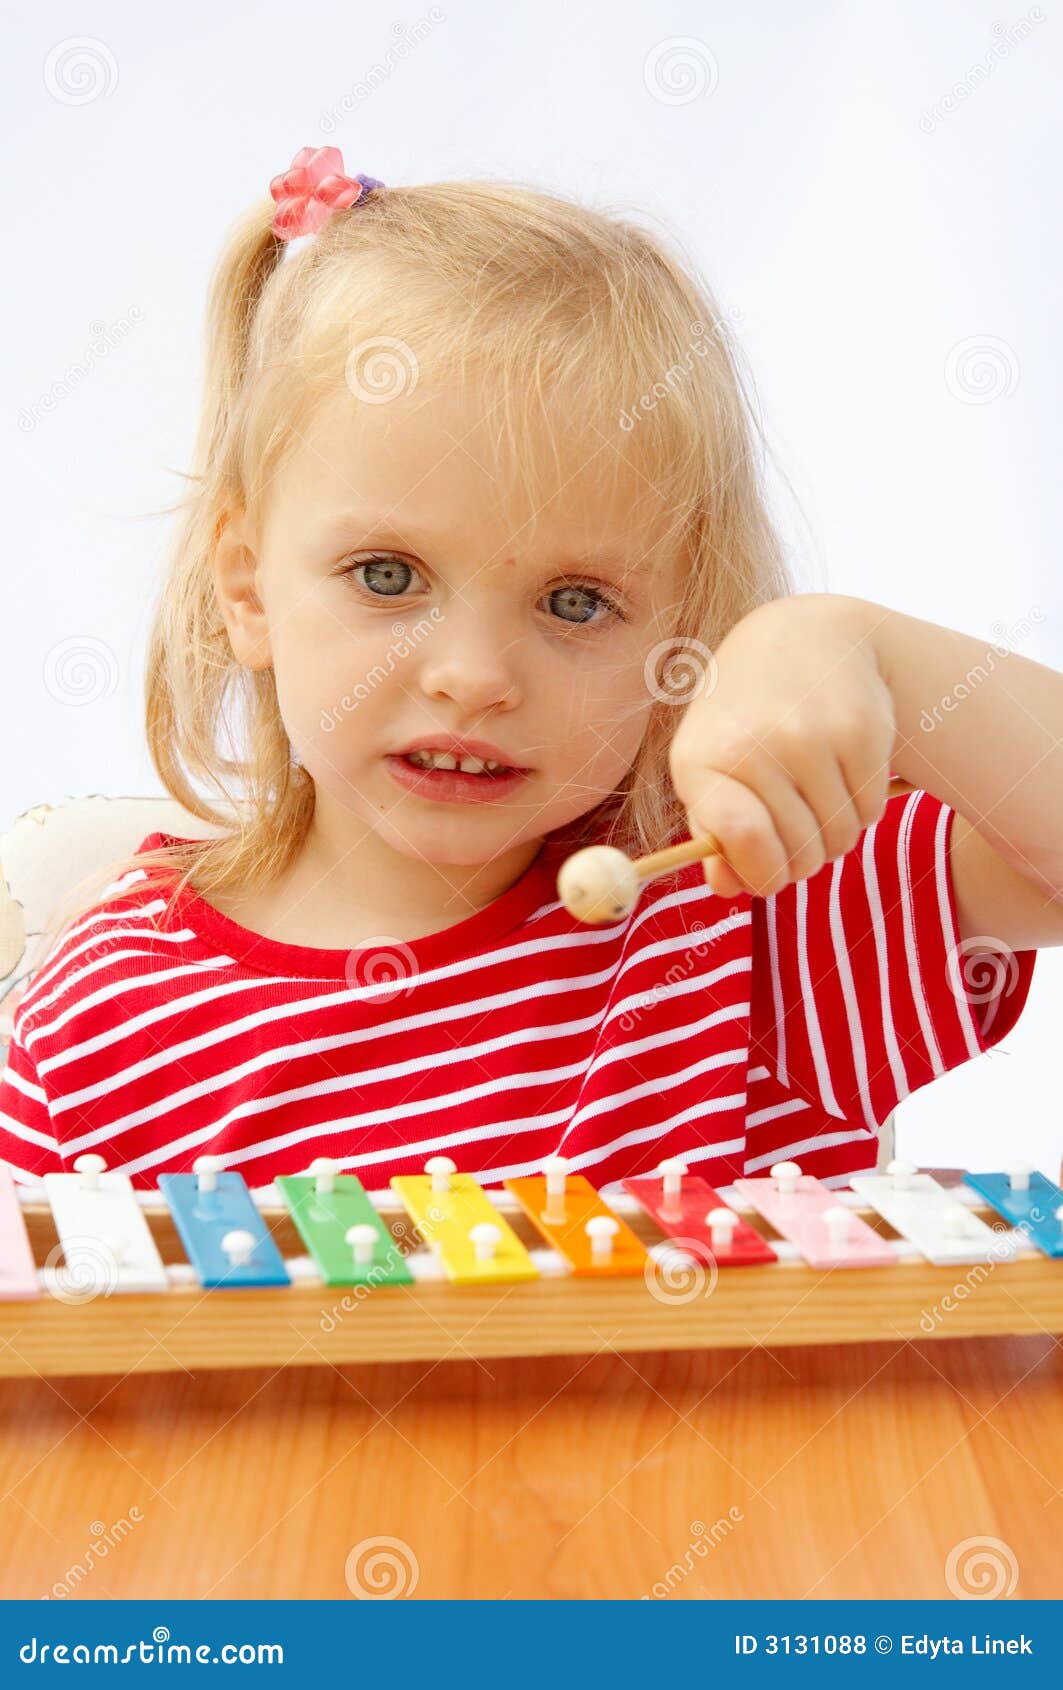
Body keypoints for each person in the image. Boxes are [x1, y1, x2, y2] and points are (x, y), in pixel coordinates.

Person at [1, 147, 1059, 1191]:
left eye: (576, 602)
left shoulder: (747, 910)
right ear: (248, 590)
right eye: (386, 576)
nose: (473, 678)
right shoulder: (100, 1026)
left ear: (681, 633)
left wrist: (873, 653)